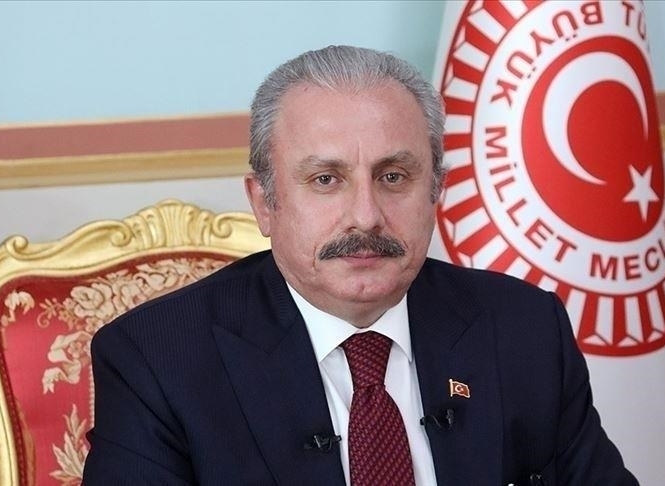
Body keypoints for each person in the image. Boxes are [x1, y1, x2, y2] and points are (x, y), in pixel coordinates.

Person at [82, 45, 637, 486]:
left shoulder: (523, 327)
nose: (367, 216)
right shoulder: (157, 360)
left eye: (394, 177)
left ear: (436, 190)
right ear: (265, 203)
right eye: (326, 180)